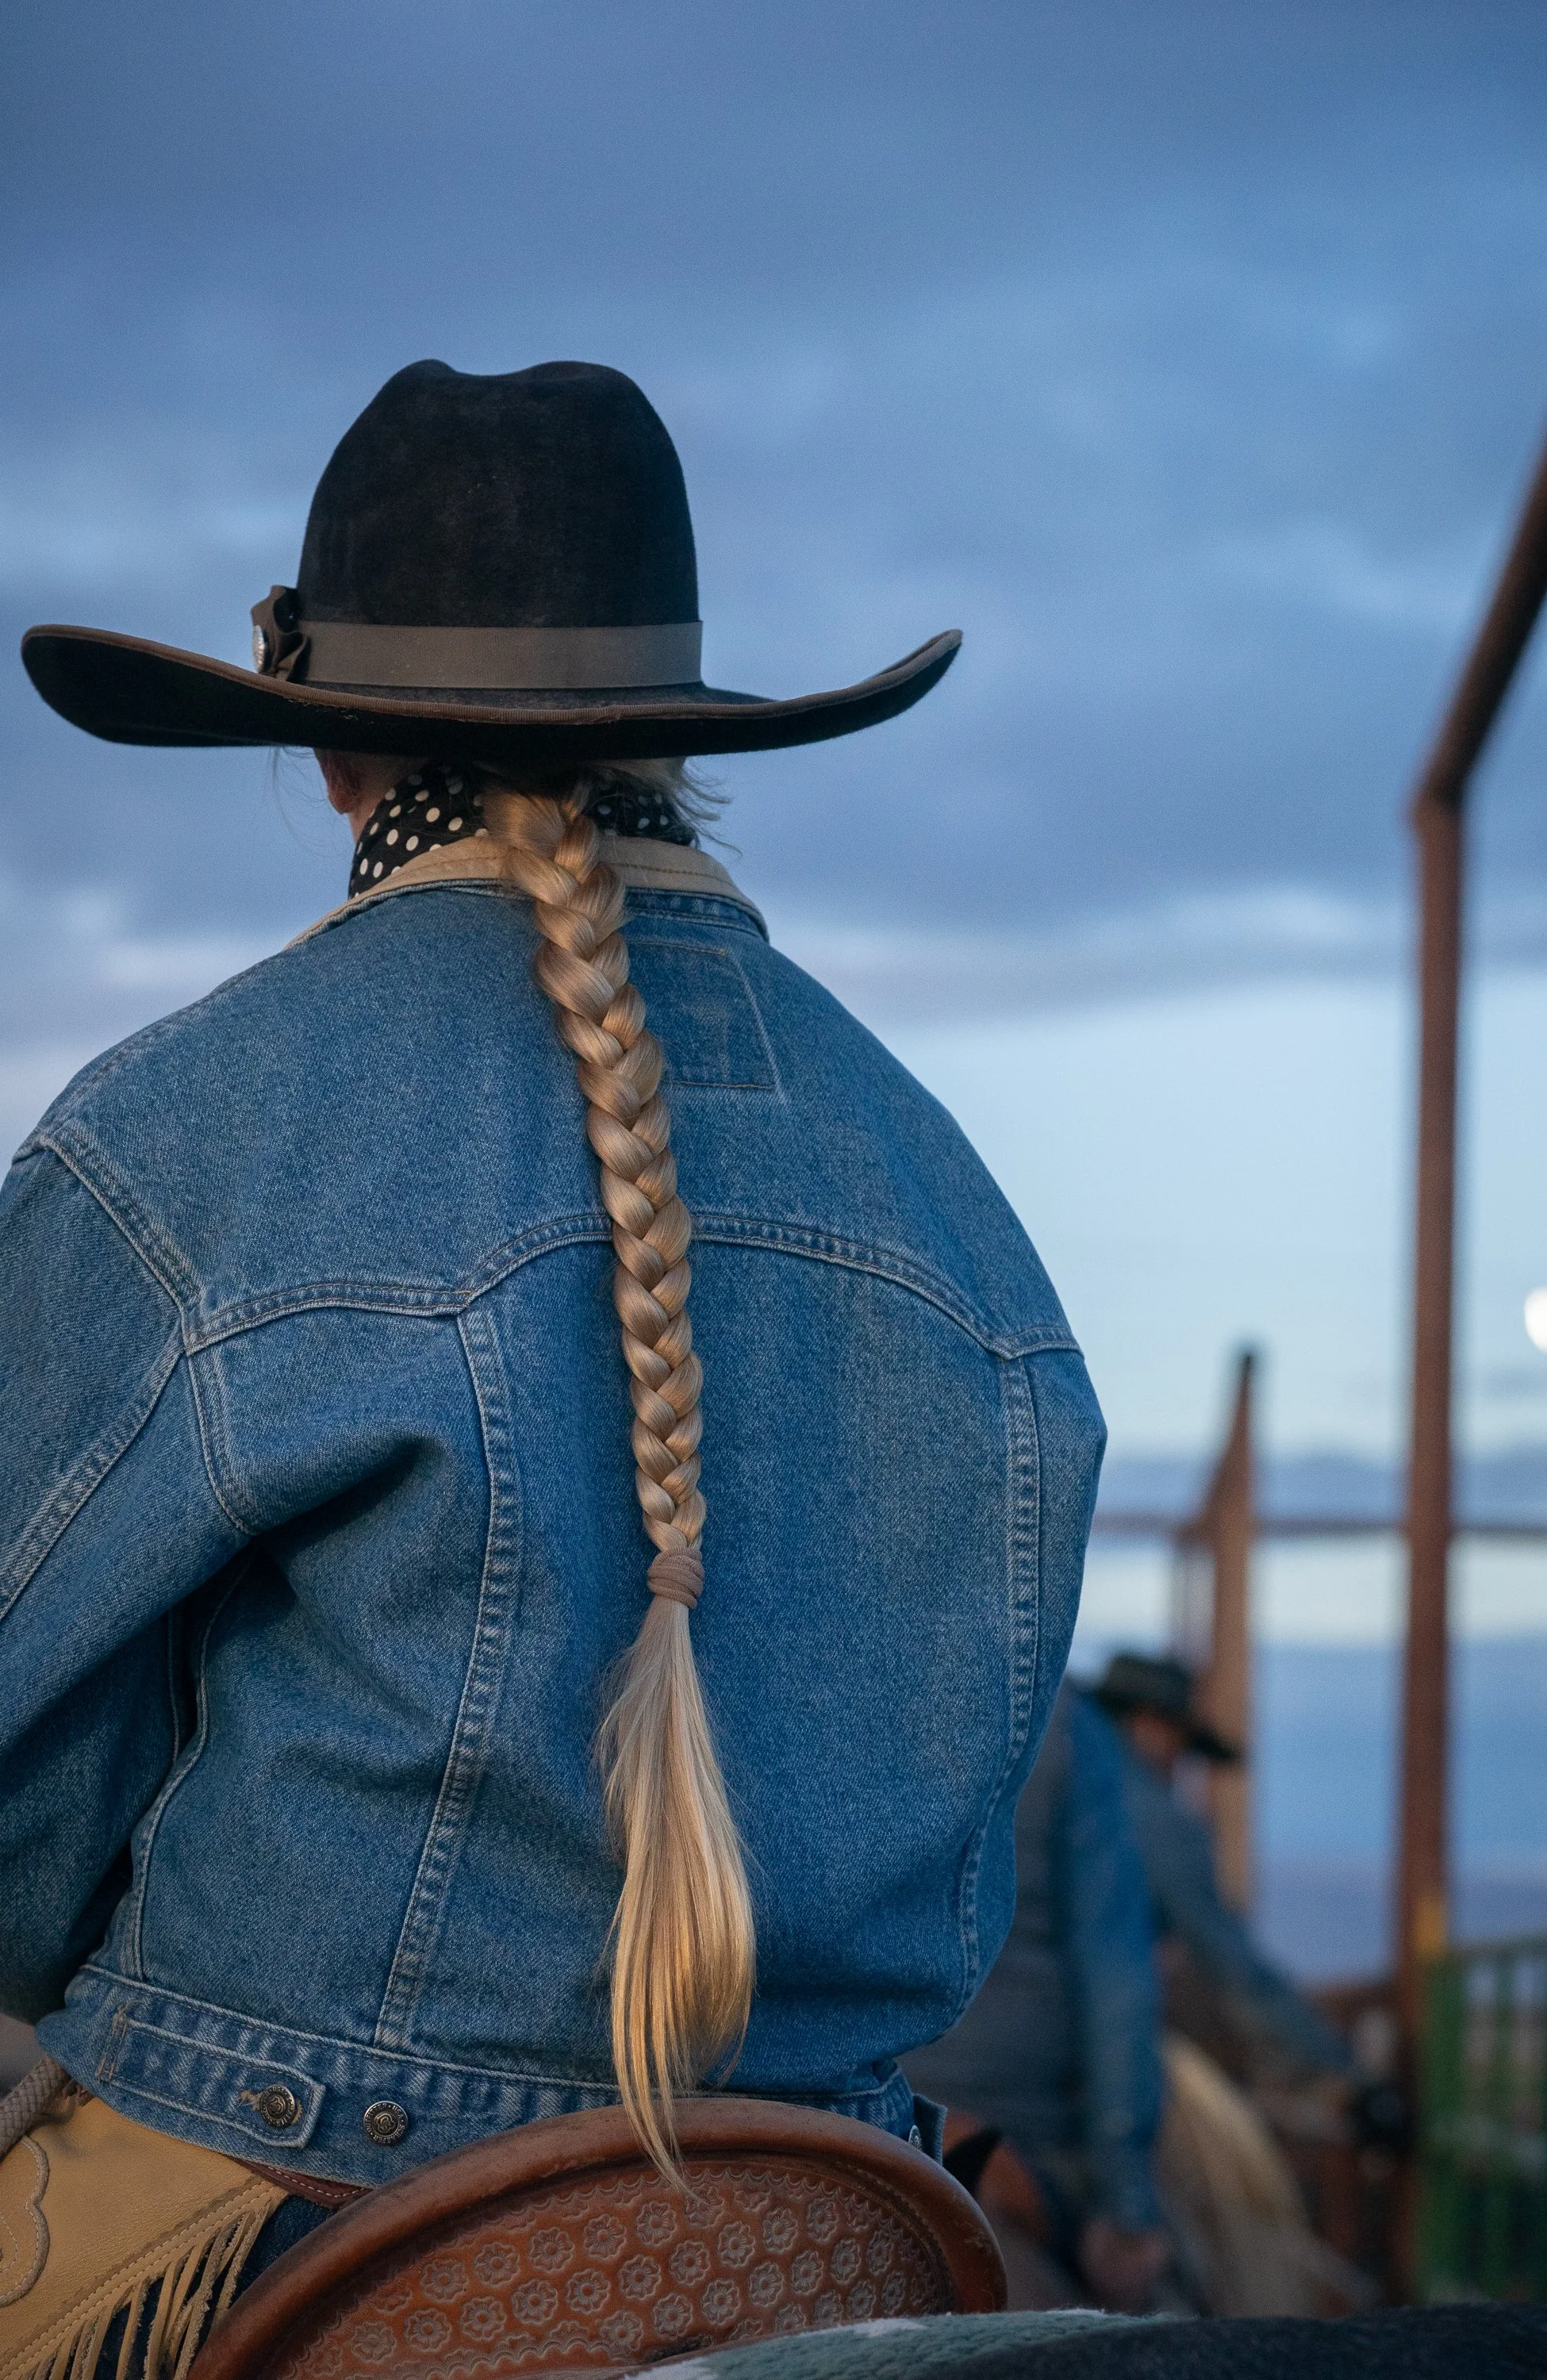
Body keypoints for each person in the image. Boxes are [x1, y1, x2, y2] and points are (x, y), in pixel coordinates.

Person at [0, 360, 1106, 2375]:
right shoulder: (955, 1200)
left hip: (283, 2205)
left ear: (325, 752)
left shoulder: (185, 1132)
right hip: (833, 2225)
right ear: (680, 738)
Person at [907, 1687, 1171, 2313]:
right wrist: (1126, 2203)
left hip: (815, 2118)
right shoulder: (1059, 1719)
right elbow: (1116, 1982)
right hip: (1005, 2132)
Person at [1088, 1654, 1349, 2086]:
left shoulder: (1036, 1791)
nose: (1179, 1766)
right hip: (1085, 2050)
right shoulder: (1158, 1822)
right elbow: (1230, 1962)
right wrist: (1339, 2067)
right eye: (1179, 1743)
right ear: (1147, 1725)